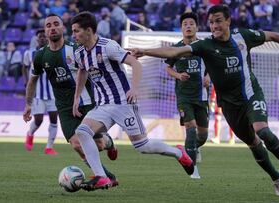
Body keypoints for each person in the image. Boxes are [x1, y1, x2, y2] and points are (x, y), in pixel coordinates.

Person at [128, 5, 279, 196]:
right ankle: (276, 178)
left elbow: (274, 36)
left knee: (262, 129)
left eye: (218, 21)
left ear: (228, 21)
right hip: (229, 105)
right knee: (253, 143)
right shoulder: (205, 46)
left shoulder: (243, 37)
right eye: (211, 22)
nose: (214, 26)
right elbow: (174, 52)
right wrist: (145, 51)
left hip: (251, 94)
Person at [70, 11, 194, 191]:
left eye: (76, 31)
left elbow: (135, 64)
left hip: (123, 103)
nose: (73, 35)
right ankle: (101, 177)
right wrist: (76, 98)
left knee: (143, 146)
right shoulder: (80, 52)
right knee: (82, 132)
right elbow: (82, 71)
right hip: (103, 105)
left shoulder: (108, 46)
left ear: (88, 30)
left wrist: (134, 88)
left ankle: (178, 152)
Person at [22, 13, 118, 185]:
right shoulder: (40, 56)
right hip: (64, 107)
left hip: (87, 102)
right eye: (48, 25)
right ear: (45, 30)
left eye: (56, 24)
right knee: (76, 144)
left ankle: (109, 142)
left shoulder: (76, 49)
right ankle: (106, 176)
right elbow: (33, 79)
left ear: (63, 28)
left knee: (99, 144)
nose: (52, 27)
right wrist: (28, 104)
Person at [164, 12, 209, 179]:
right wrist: (178, 75)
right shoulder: (176, 48)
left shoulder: (205, 46)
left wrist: (208, 77)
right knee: (190, 127)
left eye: (191, 23)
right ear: (181, 28)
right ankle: (193, 168)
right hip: (184, 96)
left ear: (197, 27)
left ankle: (194, 148)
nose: (188, 26)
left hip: (201, 96)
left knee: (203, 136)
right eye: (185, 24)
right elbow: (168, 68)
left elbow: (214, 65)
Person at [22, 29, 58, 155]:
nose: (42, 38)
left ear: (47, 37)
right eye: (40, 36)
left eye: (44, 36)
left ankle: (49, 147)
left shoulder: (54, 51)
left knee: (54, 119)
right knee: (39, 120)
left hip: (53, 93)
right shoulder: (29, 53)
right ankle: (30, 133)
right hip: (37, 93)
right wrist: (26, 81)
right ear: (37, 39)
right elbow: (24, 66)